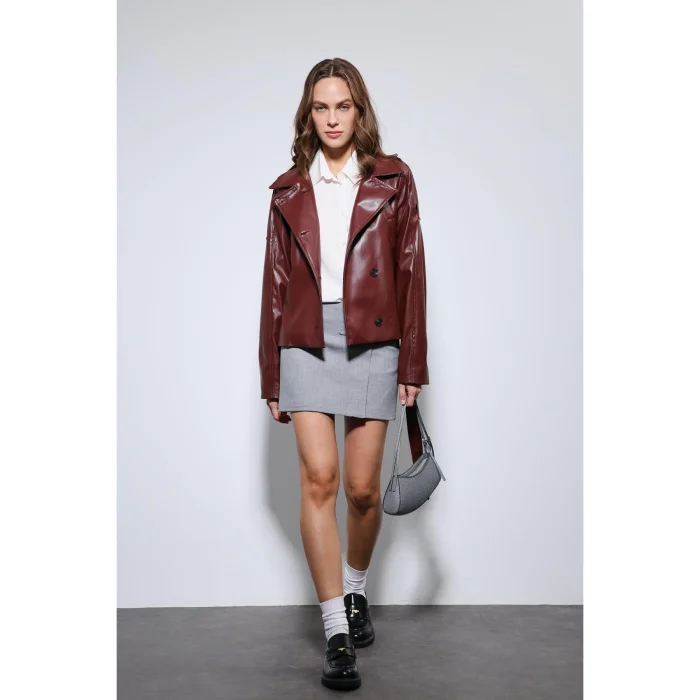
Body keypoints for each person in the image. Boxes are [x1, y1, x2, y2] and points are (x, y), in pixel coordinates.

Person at [258, 57, 429, 691]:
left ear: (359, 111)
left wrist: (412, 361)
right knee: (320, 480)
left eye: (343, 106)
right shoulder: (288, 190)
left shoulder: (393, 180)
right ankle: (335, 631)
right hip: (305, 339)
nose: (332, 119)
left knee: (360, 490)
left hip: (374, 338)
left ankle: (356, 588)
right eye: (321, 107)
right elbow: (275, 286)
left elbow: (410, 270)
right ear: (309, 115)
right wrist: (271, 373)